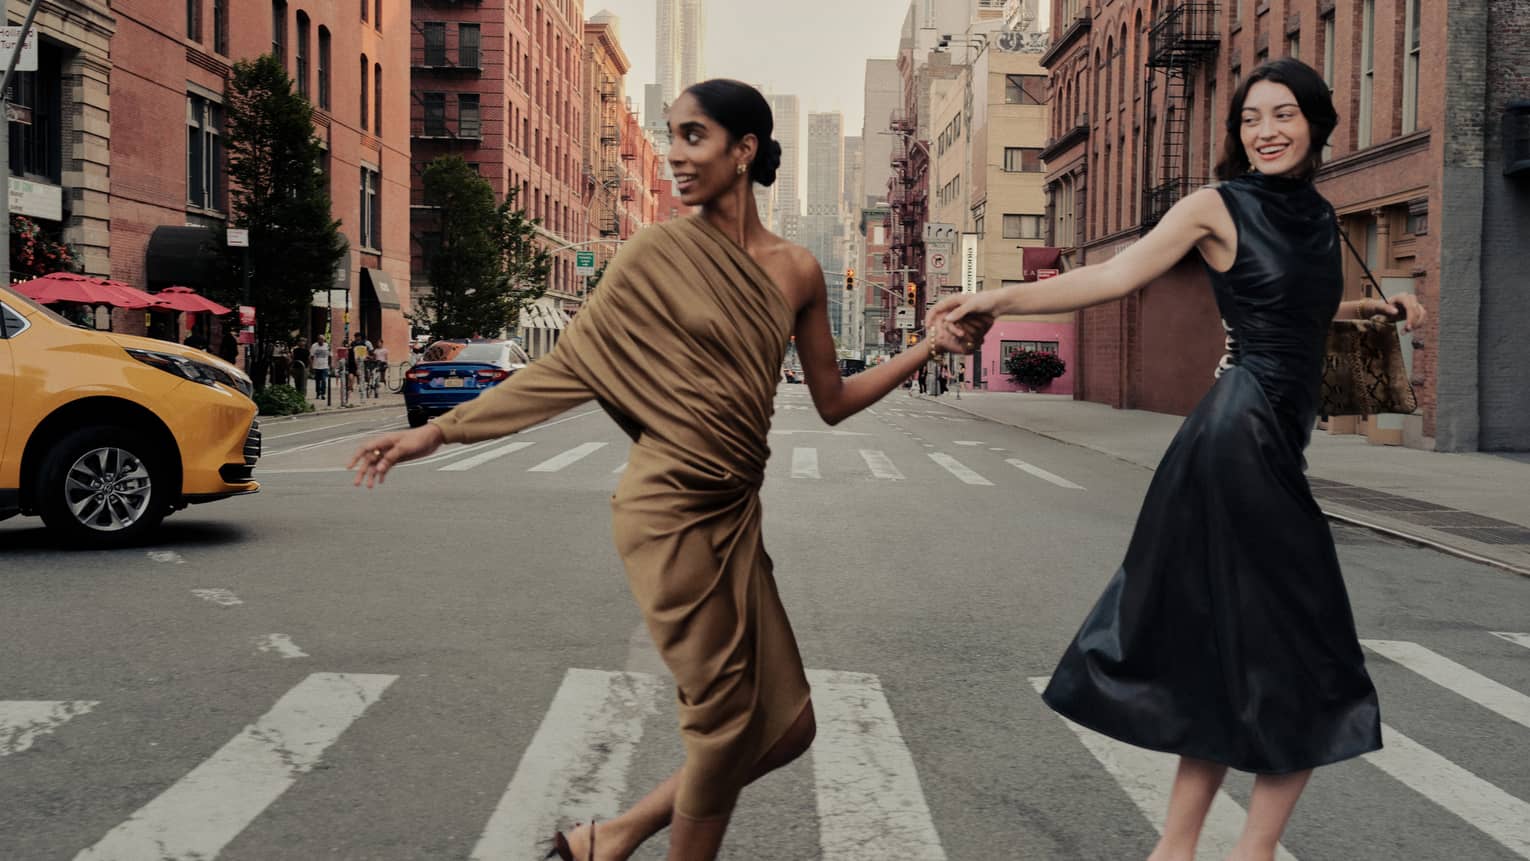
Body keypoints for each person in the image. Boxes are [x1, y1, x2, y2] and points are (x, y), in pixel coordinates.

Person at [349, 79, 986, 861]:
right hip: (667, 510)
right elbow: (569, 368)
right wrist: (441, 433)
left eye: (694, 137)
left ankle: (612, 835)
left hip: (735, 517)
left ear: (743, 150)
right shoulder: (655, 251)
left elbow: (832, 399)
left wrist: (926, 347)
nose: (676, 156)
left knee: (788, 727)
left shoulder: (799, 272)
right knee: (722, 729)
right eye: (671, 136)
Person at [936, 58, 1426, 861]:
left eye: (1283, 114)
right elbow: (1114, 275)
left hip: (1265, 440)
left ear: (1316, 122)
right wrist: (996, 297)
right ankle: (1252, 853)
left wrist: (1371, 308)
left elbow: (1294, 313)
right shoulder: (1214, 206)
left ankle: (1177, 850)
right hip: (1240, 440)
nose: (1265, 131)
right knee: (1315, 657)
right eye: (1250, 119)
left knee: (1225, 650)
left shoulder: (1318, 215)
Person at [311, 335, 331, 400]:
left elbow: (330, 355)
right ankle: (318, 393)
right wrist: (312, 365)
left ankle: (323, 394)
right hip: (316, 366)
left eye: (322, 340)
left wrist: (329, 365)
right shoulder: (314, 346)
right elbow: (311, 356)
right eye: (320, 339)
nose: (321, 341)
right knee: (317, 381)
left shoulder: (327, 346)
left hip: (324, 366)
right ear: (318, 340)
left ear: (324, 340)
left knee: (323, 380)